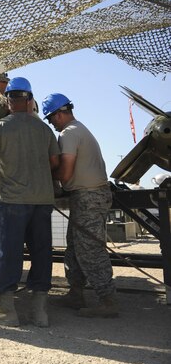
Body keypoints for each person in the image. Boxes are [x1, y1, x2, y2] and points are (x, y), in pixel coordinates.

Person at [0, 77, 60, 327]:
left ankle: (6, 312)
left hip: (11, 200)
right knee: (42, 252)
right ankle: (40, 313)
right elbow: (55, 162)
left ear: (8, 102)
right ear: (30, 101)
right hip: (42, 201)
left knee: (6, 253)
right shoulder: (44, 129)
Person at [42, 93, 117, 318]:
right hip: (89, 195)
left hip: (88, 196)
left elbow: (65, 174)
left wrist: (45, 174)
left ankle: (108, 300)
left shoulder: (69, 134)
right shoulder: (78, 129)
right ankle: (76, 293)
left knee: (90, 248)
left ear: (59, 113)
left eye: (50, 118)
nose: (51, 123)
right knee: (75, 246)